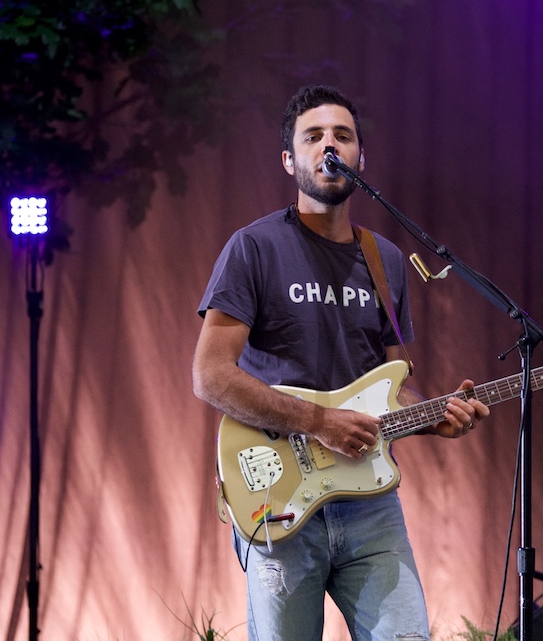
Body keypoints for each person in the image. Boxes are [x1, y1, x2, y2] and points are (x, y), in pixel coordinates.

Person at [192, 84, 491, 641]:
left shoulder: (387, 261)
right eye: (313, 136)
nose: (329, 144)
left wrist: (435, 418)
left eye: (343, 136)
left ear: (359, 160)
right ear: (290, 160)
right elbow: (210, 375)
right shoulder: (252, 248)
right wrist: (317, 422)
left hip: (371, 504)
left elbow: (394, 390)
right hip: (279, 498)